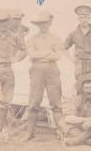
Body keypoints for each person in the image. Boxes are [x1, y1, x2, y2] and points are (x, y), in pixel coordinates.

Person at [22, 11, 63, 141]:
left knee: (56, 101)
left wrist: (41, 53)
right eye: (40, 24)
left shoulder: (56, 38)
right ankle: (30, 132)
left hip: (52, 70)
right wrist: (47, 53)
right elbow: (31, 54)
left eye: (45, 23)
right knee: (34, 101)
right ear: (37, 25)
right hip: (37, 70)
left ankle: (60, 131)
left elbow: (58, 55)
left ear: (50, 23)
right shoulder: (32, 39)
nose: (43, 26)